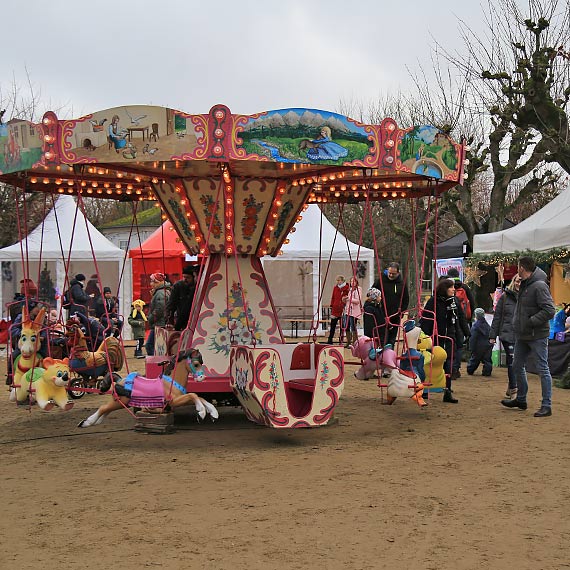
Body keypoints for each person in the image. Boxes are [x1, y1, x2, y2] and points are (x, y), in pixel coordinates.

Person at [501, 256, 556, 417]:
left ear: (522, 268)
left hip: (537, 335)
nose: (516, 269)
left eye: (517, 267)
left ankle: (547, 405)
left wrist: (531, 321)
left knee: (542, 369)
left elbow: (549, 310)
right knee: (517, 365)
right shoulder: (525, 284)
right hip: (522, 334)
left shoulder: (538, 286)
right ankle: (521, 399)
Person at [419, 278, 470, 403]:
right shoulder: (433, 301)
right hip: (435, 337)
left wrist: (467, 333)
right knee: (431, 362)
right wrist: (426, 336)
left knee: (448, 363)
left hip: (450, 336)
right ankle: (425, 390)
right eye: (451, 287)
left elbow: (461, 317)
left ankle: (447, 391)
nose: (454, 289)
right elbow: (426, 319)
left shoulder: (454, 301)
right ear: (444, 289)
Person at [489, 275, 520, 399]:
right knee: (512, 362)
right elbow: (497, 317)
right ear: (514, 281)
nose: (519, 283)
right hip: (507, 334)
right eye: (517, 281)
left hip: (522, 335)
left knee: (518, 363)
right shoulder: (505, 297)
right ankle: (514, 390)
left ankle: (511, 385)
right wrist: (492, 335)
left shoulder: (527, 296)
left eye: (522, 281)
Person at [445, 267, 475, 378]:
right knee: (459, 345)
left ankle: (450, 368)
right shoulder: (465, 287)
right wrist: (470, 318)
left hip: (450, 319)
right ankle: (456, 369)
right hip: (463, 320)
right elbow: (472, 302)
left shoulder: (447, 286)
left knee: (450, 344)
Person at [372, 262, 410, 347]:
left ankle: (390, 354)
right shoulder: (380, 281)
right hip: (382, 314)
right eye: (389, 273)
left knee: (391, 339)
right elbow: (372, 293)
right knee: (382, 337)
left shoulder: (401, 284)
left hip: (395, 315)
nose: (391, 275)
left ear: (398, 273)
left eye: (393, 274)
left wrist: (402, 312)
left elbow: (406, 299)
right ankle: (382, 355)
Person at [145, 273, 171, 356]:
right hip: (161, 323)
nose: (150, 284)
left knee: (150, 345)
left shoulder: (160, 293)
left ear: (157, 282)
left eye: (152, 281)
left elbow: (160, 309)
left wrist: (151, 318)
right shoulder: (163, 291)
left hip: (159, 323)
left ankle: (155, 364)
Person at [166, 266, 196, 331]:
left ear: (194, 278)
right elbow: (171, 304)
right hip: (181, 318)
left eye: (188, 277)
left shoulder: (197, 286)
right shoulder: (178, 286)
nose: (185, 279)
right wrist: (169, 320)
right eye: (184, 277)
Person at [466, 308, 492, 376]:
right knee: (487, 360)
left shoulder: (475, 326)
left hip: (478, 346)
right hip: (487, 345)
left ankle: (470, 370)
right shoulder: (487, 325)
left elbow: (473, 338)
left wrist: (471, 347)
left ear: (476, 315)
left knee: (474, 359)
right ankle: (487, 372)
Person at [326, 275, 349, 344]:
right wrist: (332, 305)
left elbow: (347, 298)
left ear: (342, 280)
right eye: (337, 280)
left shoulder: (347, 288)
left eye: (339, 280)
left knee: (342, 326)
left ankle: (341, 340)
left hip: (343, 309)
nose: (338, 282)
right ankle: (330, 340)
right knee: (333, 325)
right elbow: (333, 297)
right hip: (335, 309)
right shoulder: (335, 288)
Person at [342, 277, 363, 348]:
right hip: (348, 311)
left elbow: (358, 301)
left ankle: (355, 342)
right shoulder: (350, 290)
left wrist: (349, 299)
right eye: (351, 281)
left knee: (353, 326)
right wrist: (345, 299)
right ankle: (348, 341)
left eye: (354, 281)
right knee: (347, 326)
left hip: (354, 312)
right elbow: (348, 301)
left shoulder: (358, 290)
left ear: (356, 282)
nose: (352, 283)